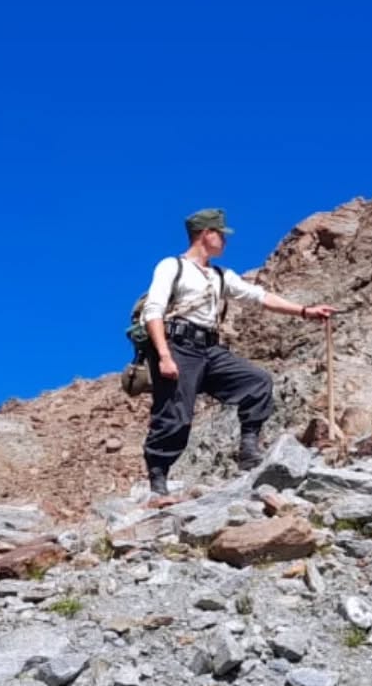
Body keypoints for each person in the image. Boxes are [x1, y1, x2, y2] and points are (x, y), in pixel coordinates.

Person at [142, 209, 334, 496]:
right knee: (176, 417)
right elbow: (152, 311)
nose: (225, 241)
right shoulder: (172, 266)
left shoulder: (221, 276)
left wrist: (305, 311)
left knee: (256, 382)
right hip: (177, 346)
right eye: (221, 234)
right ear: (207, 234)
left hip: (209, 347)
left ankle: (248, 449)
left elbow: (260, 297)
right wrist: (164, 355)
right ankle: (158, 480)